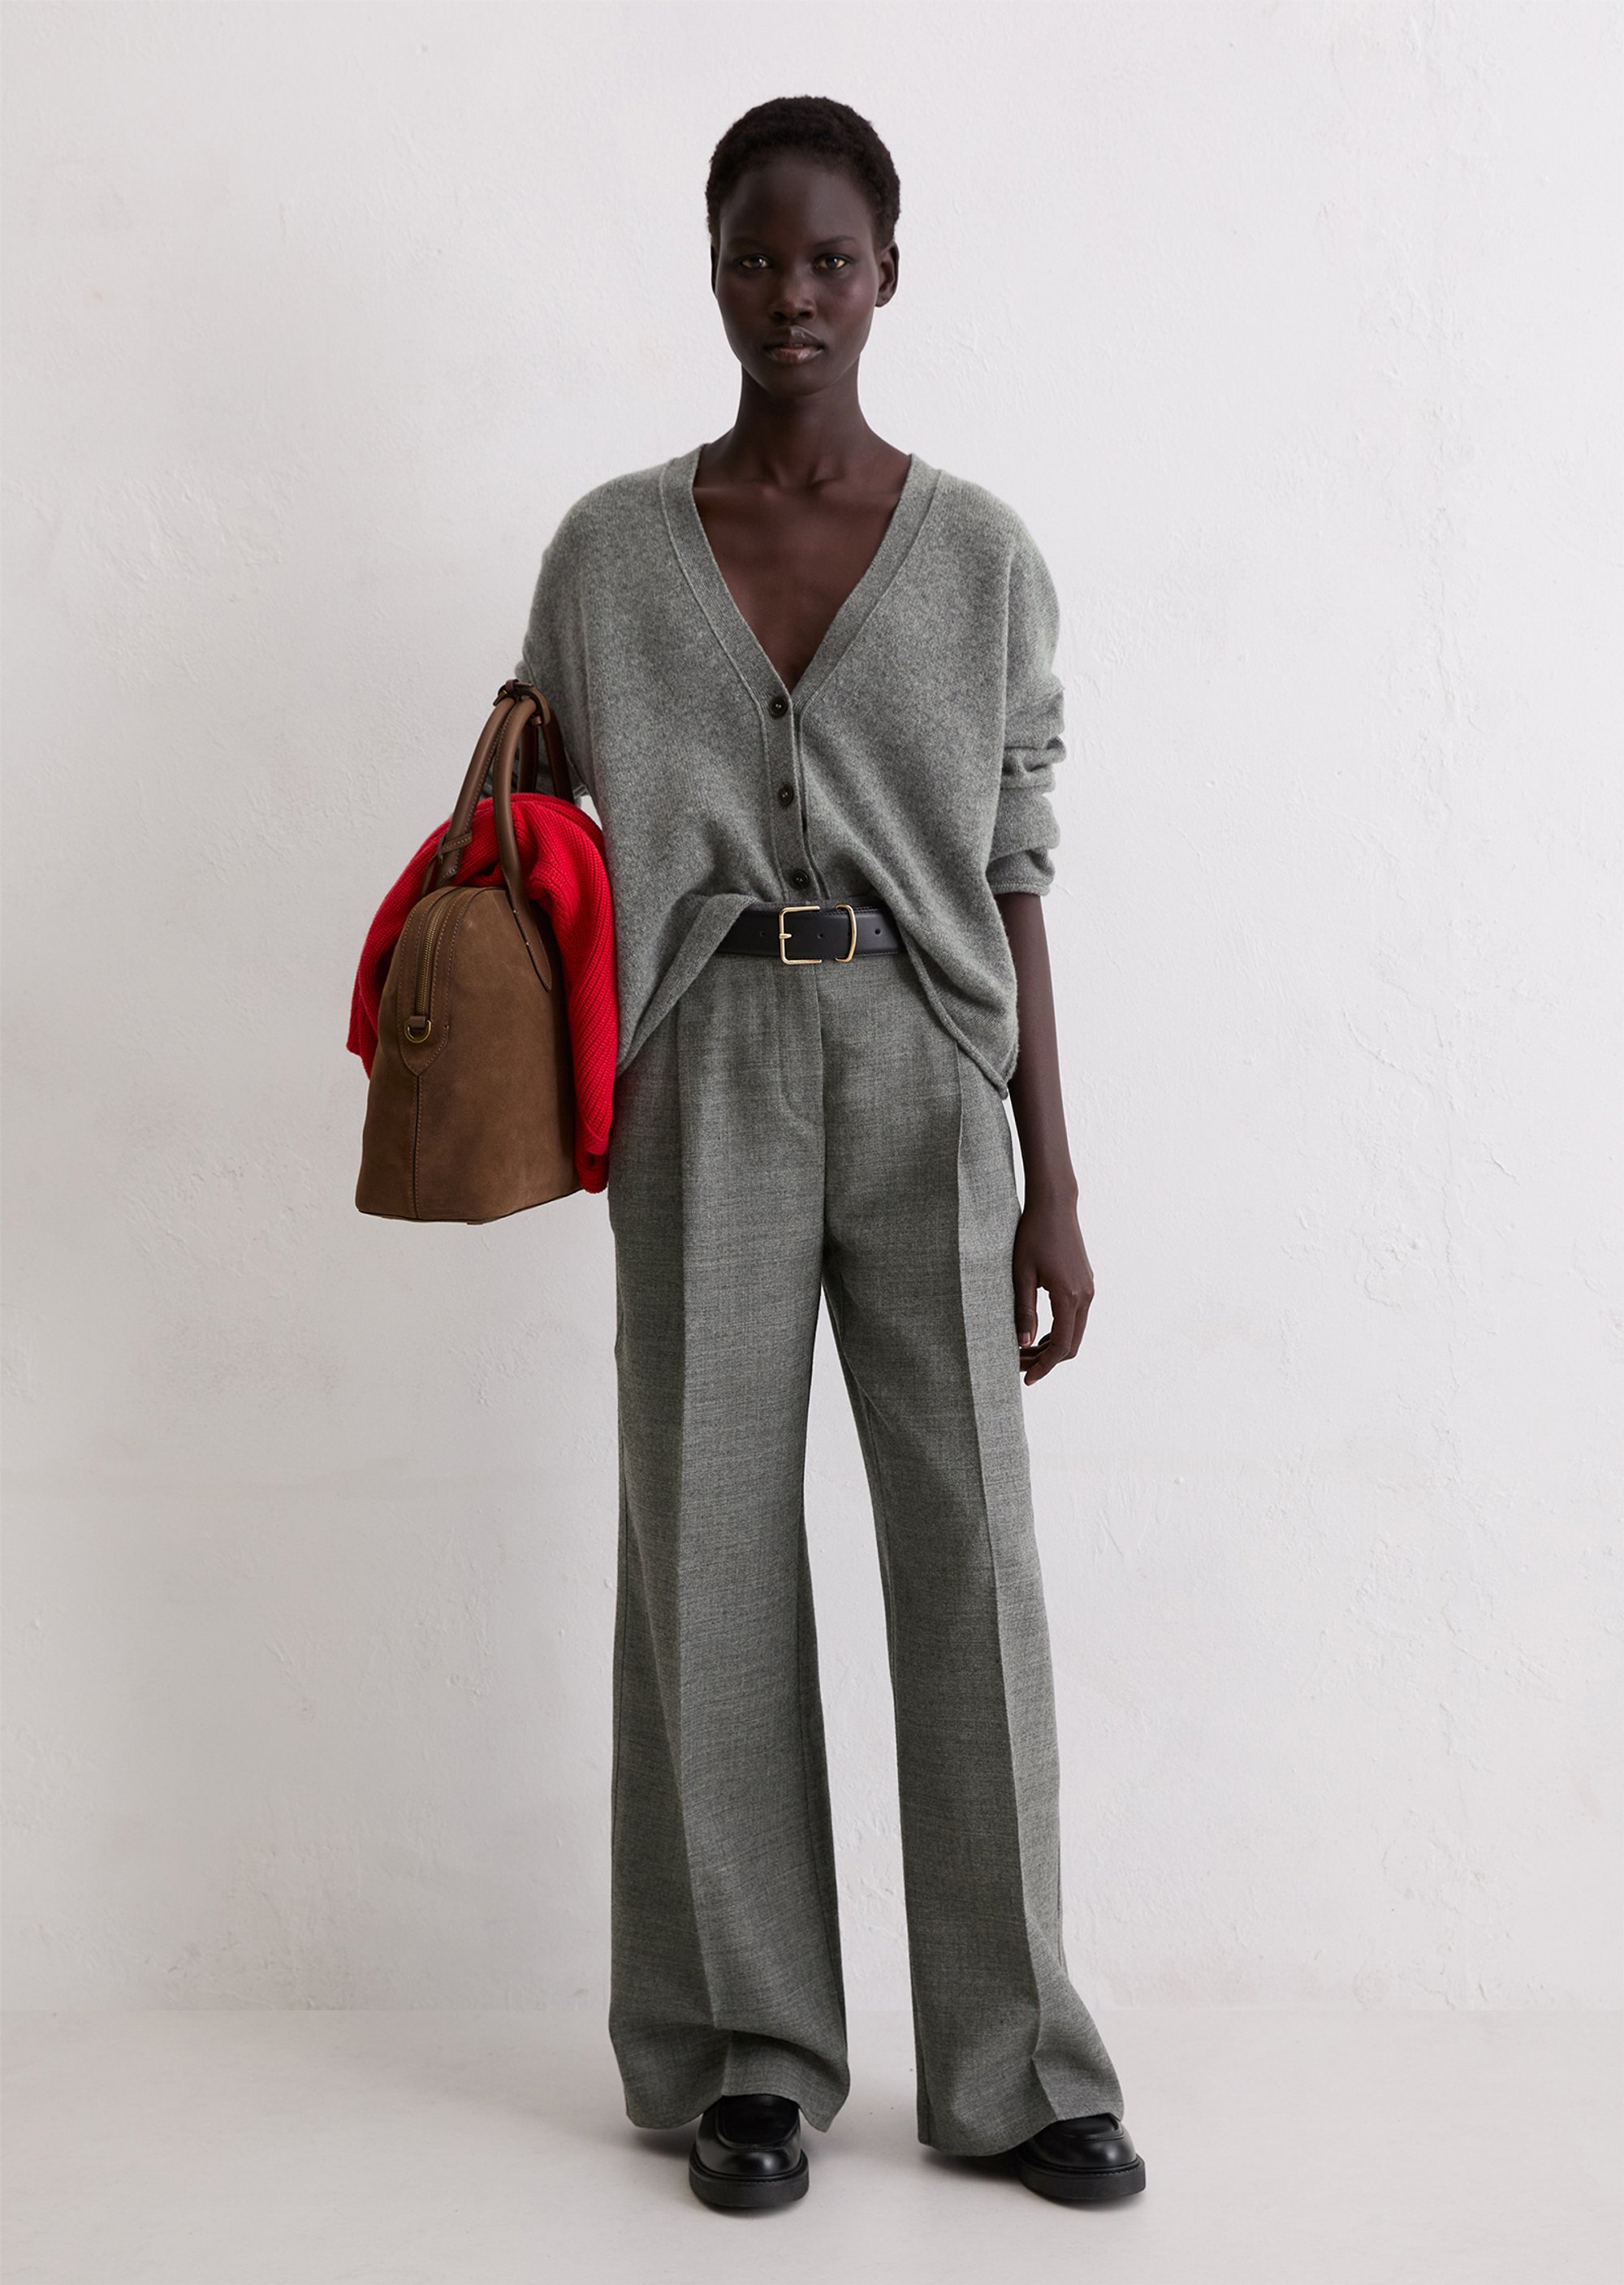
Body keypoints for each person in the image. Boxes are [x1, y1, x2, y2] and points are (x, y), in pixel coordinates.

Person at [515, 93, 1146, 2212]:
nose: (792, 294)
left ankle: (1018, 2065)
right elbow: (545, 822)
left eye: (829, 260)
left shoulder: (981, 558)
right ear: (711, 271)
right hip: (700, 1068)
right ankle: (744, 2056)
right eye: (755, 257)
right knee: (704, 1551)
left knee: (973, 1556)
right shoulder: (611, 553)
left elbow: (1018, 874)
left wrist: (1053, 1180)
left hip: (929, 1065)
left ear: (889, 275)